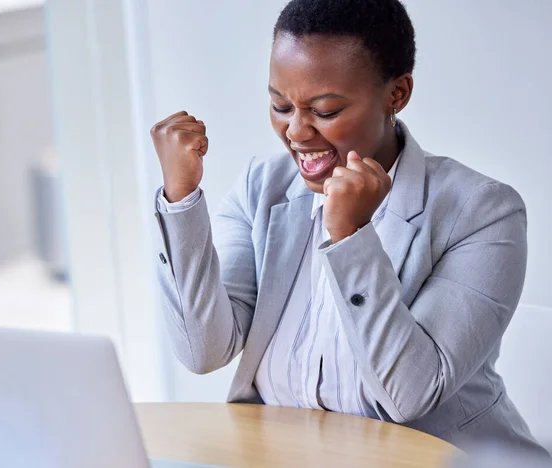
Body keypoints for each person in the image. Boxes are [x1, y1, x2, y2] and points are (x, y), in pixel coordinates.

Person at [150, 0, 547, 455]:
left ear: (396, 95)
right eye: (280, 105)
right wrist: (181, 200)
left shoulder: (484, 212)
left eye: (325, 110)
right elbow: (204, 351)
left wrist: (351, 238)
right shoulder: (261, 187)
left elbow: (410, 395)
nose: (296, 132)